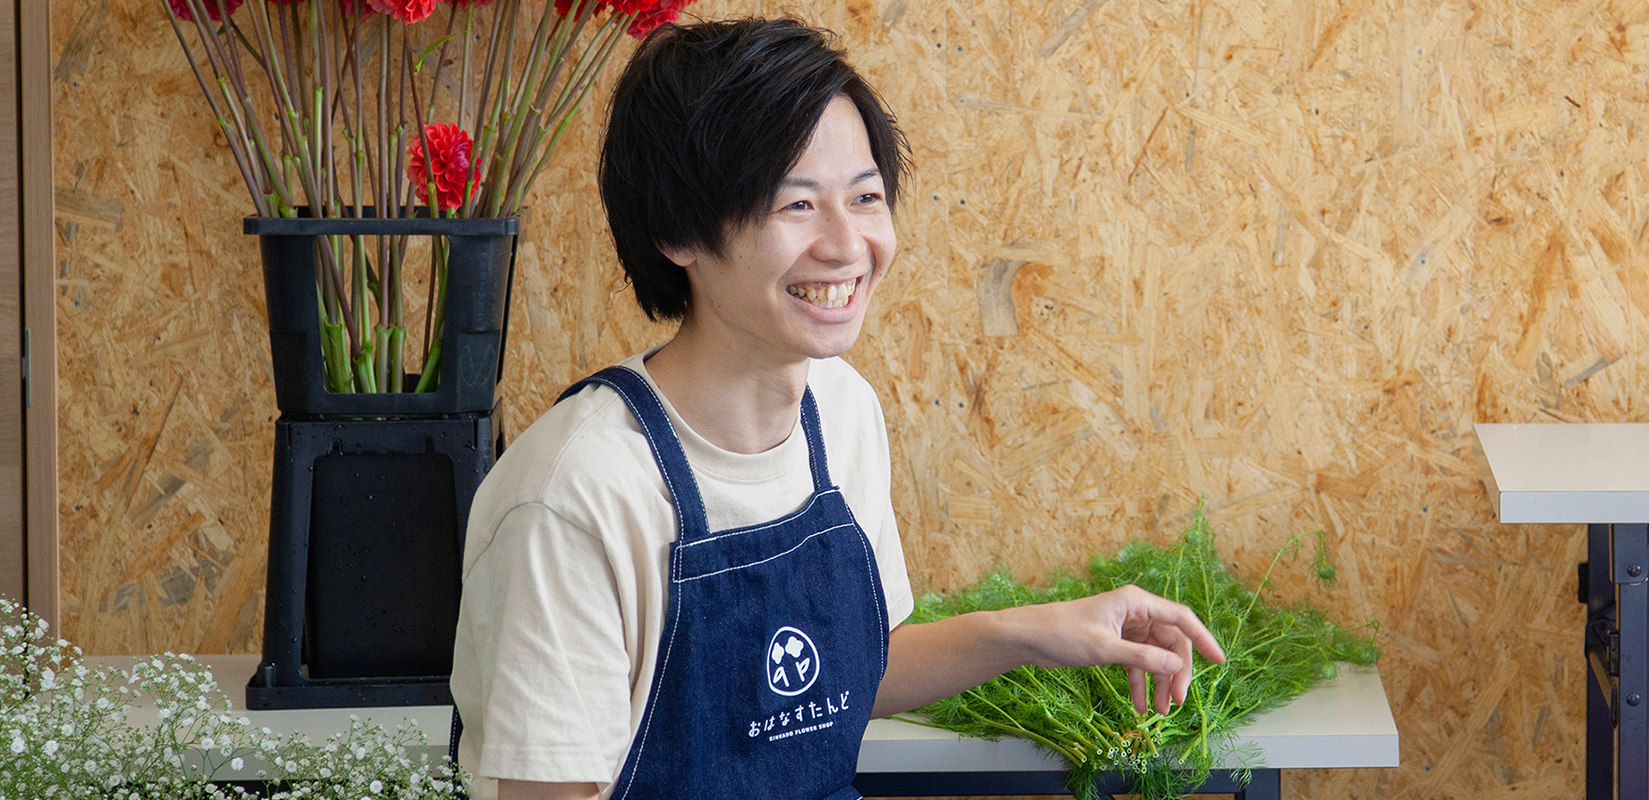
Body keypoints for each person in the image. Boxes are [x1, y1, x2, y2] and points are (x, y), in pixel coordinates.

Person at [448, 17, 1226, 800]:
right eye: (796, 206)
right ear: (678, 230)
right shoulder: (574, 495)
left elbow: (840, 677)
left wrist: (1032, 630)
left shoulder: (840, 410)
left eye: (865, 197)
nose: (847, 243)